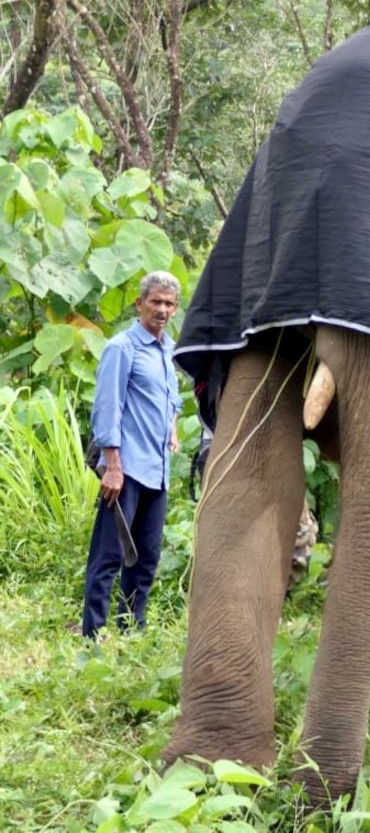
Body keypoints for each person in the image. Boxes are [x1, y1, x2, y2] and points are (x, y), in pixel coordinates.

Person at [80, 271, 183, 639]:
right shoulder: (122, 347)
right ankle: (92, 635)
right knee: (108, 557)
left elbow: (174, 399)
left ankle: (131, 634)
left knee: (146, 559)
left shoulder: (168, 350)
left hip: (157, 472)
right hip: (126, 471)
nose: (163, 310)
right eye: (156, 301)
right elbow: (107, 408)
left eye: (169, 304)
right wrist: (113, 466)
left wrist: (171, 426)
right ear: (139, 304)